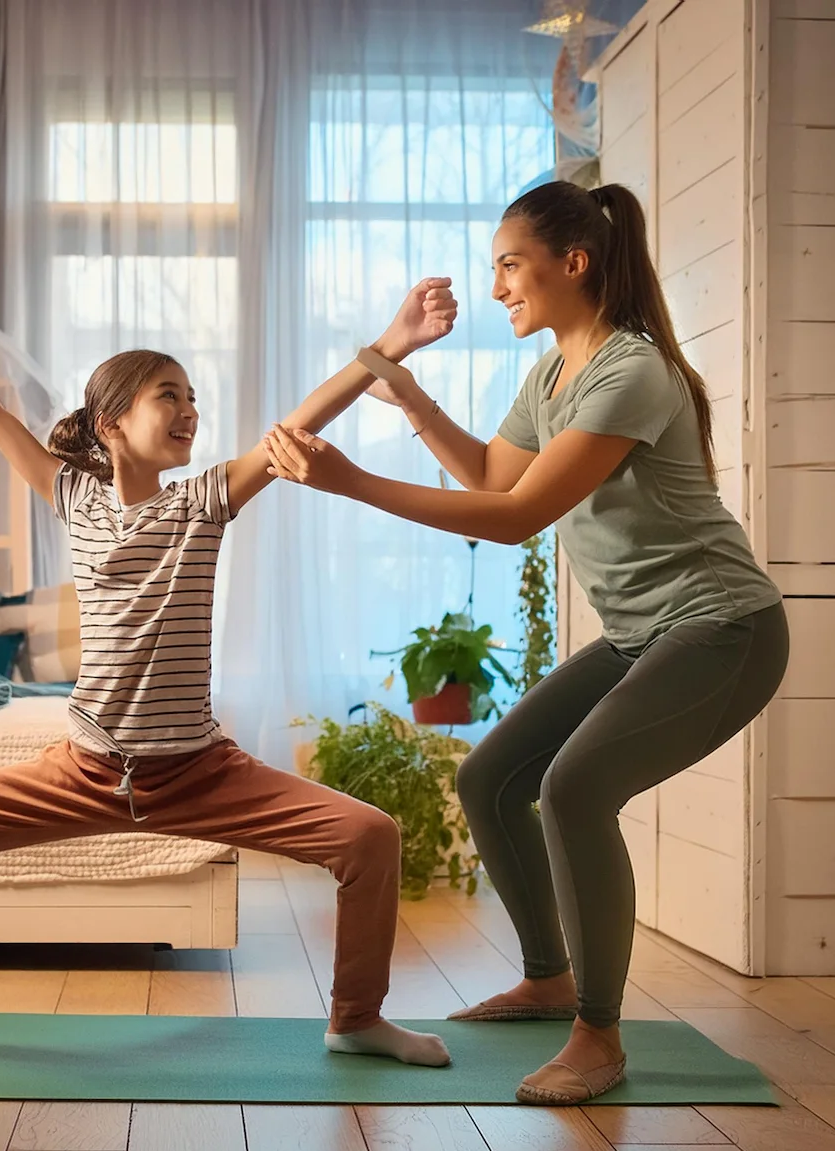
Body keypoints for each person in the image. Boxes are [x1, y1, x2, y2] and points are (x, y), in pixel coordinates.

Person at [0, 273, 459, 1068]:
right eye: (167, 396)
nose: (189, 411)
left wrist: (390, 347)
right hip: (83, 767)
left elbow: (298, 422)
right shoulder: (71, 496)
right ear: (111, 425)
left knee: (369, 836)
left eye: (191, 398)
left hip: (200, 771)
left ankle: (356, 1019)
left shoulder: (203, 500)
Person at [262, 180, 788, 1104]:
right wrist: (408, 390)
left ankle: (599, 1032)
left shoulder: (631, 369)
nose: (499, 286)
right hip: (640, 633)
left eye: (510, 265)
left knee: (575, 787)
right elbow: (491, 475)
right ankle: (546, 979)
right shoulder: (550, 375)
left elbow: (516, 519)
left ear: (572, 262)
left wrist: (350, 483)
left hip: (722, 627)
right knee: (488, 775)